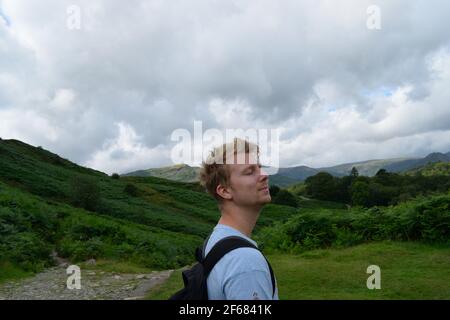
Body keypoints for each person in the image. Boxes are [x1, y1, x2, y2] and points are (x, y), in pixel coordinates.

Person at [198, 137, 279, 300]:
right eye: (250, 172)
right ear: (225, 191)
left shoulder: (216, 240)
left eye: (259, 167)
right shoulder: (245, 262)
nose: (264, 175)